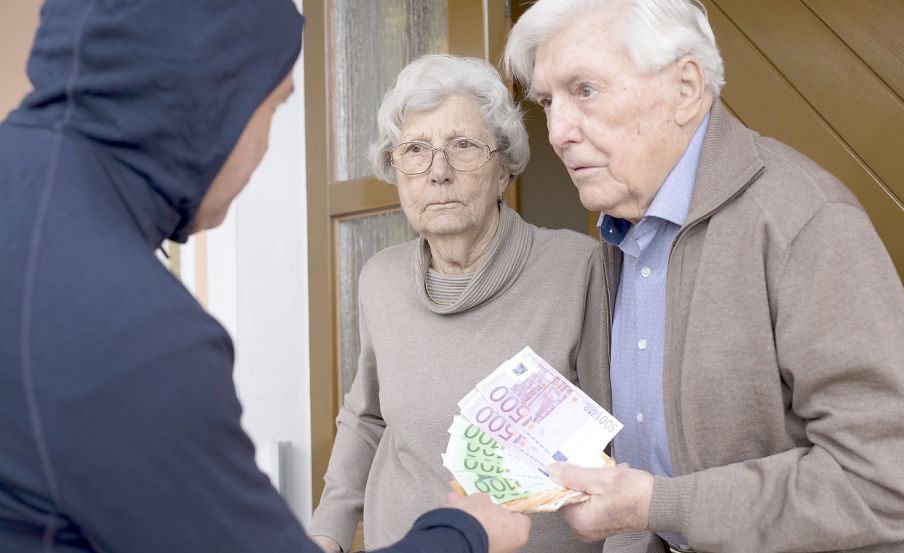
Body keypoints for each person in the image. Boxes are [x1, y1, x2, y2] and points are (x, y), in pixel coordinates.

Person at [0, 2, 529, 553]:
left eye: (463, 146)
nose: (263, 151)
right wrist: (464, 533)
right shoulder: (133, 333)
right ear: (216, 103)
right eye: (274, 109)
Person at [502, 1, 904, 552]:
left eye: (585, 90)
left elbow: (890, 478)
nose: (557, 132)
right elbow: (641, 467)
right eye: (548, 101)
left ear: (686, 87)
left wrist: (658, 505)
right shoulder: (619, 234)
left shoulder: (805, 221)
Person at [308, 54, 611, 553]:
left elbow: (628, 445)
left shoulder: (579, 270)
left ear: (503, 169)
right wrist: (328, 531)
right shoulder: (380, 279)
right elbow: (366, 417)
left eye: (464, 146)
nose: (438, 172)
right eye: (416, 150)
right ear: (397, 171)